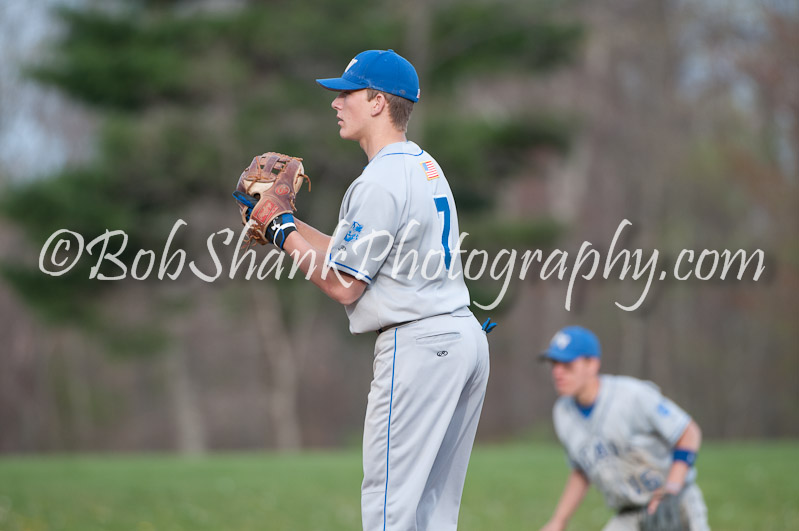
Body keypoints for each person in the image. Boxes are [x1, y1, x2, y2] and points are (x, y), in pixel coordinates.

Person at [274, 49, 491, 531]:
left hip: (420, 347)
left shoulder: (380, 180)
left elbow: (344, 284)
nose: (336, 103)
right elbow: (357, 256)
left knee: (389, 506)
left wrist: (278, 233)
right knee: (433, 512)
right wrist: (287, 224)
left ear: (377, 102)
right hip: (462, 339)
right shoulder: (421, 165)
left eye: (346, 93)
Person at [538, 326, 709, 531]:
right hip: (628, 513)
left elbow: (689, 433)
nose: (557, 371)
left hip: (677, 502)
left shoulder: (631, 396)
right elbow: (581, 470)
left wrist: (671, 490)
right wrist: (559, 520)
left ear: (592, 364)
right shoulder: (562, 412)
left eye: (567, 364)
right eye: (554, 363)